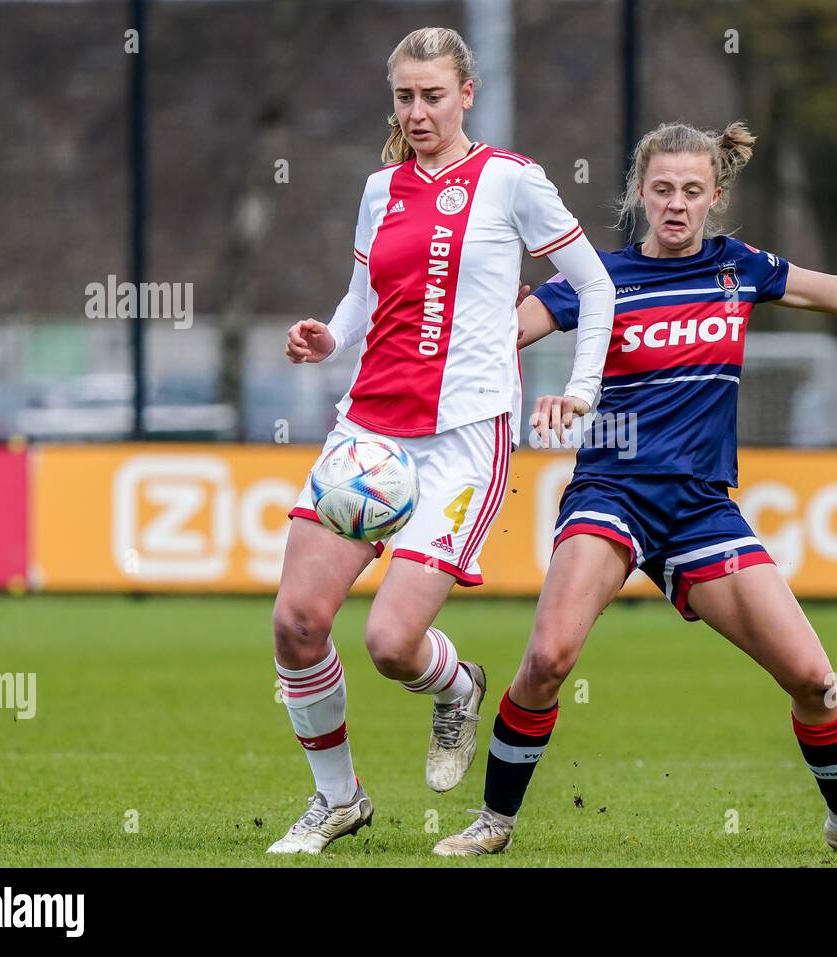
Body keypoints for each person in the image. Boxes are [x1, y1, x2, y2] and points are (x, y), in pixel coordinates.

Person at [433, 120, 837, 857]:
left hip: (701, 508)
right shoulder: (597, 279)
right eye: (664, 189)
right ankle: (494, 822)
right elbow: (497, 337)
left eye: (693, 191)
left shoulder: (740, 268)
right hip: (611, 494)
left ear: (716, 195)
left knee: (813, 679)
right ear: (640, 192)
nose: (677, 204)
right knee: (548, 660)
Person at [266, 26, 615, 854]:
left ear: (467, 94)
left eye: (432, 95)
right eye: (403, 97)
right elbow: (361, 295)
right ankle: (337, 799)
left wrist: (580, 390)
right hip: (367, 431)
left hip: (463, 439)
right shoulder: (379, 187)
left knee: (391, 643)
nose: (417, 112)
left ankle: (456, 685)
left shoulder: (511, 180)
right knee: (296, 621)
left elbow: (594, 286)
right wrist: (329, 337)